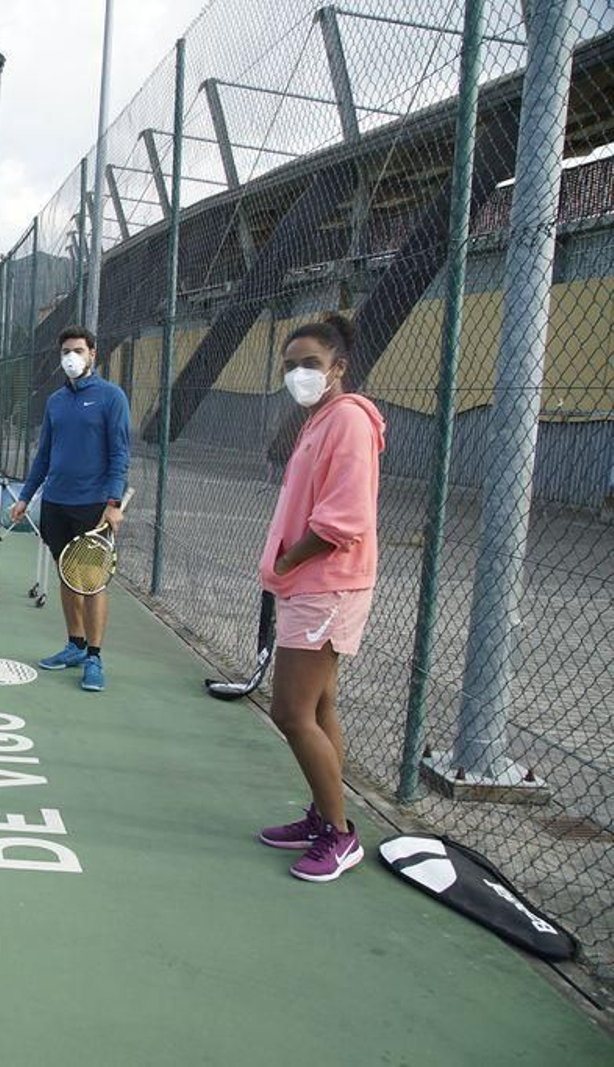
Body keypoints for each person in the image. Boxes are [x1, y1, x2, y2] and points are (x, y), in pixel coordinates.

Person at [256, 313, 384, 883]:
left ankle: (340, 835)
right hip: (310, 584)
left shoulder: (349, 422)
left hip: (326, 584)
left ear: (339, 368)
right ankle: (322, 815)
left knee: (290, 710)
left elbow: (345, 515)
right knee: (320, 706)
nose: (298, 375)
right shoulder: (318, 421)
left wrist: (290, 557)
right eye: (289, 366)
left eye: (310, 364)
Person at [9, 326, 129, 692]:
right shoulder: (56, 402)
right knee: (67, 575)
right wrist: (26, 497)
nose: (71, 357)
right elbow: (44, 454)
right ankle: (74, 645)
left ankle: (94, 657)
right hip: (56, 504)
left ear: (93, 352)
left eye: (78, 350)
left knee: (91, 584)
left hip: (93, 506)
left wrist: (112, 503)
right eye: (65, 351)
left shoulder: (111, 397)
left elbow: (120, 453)